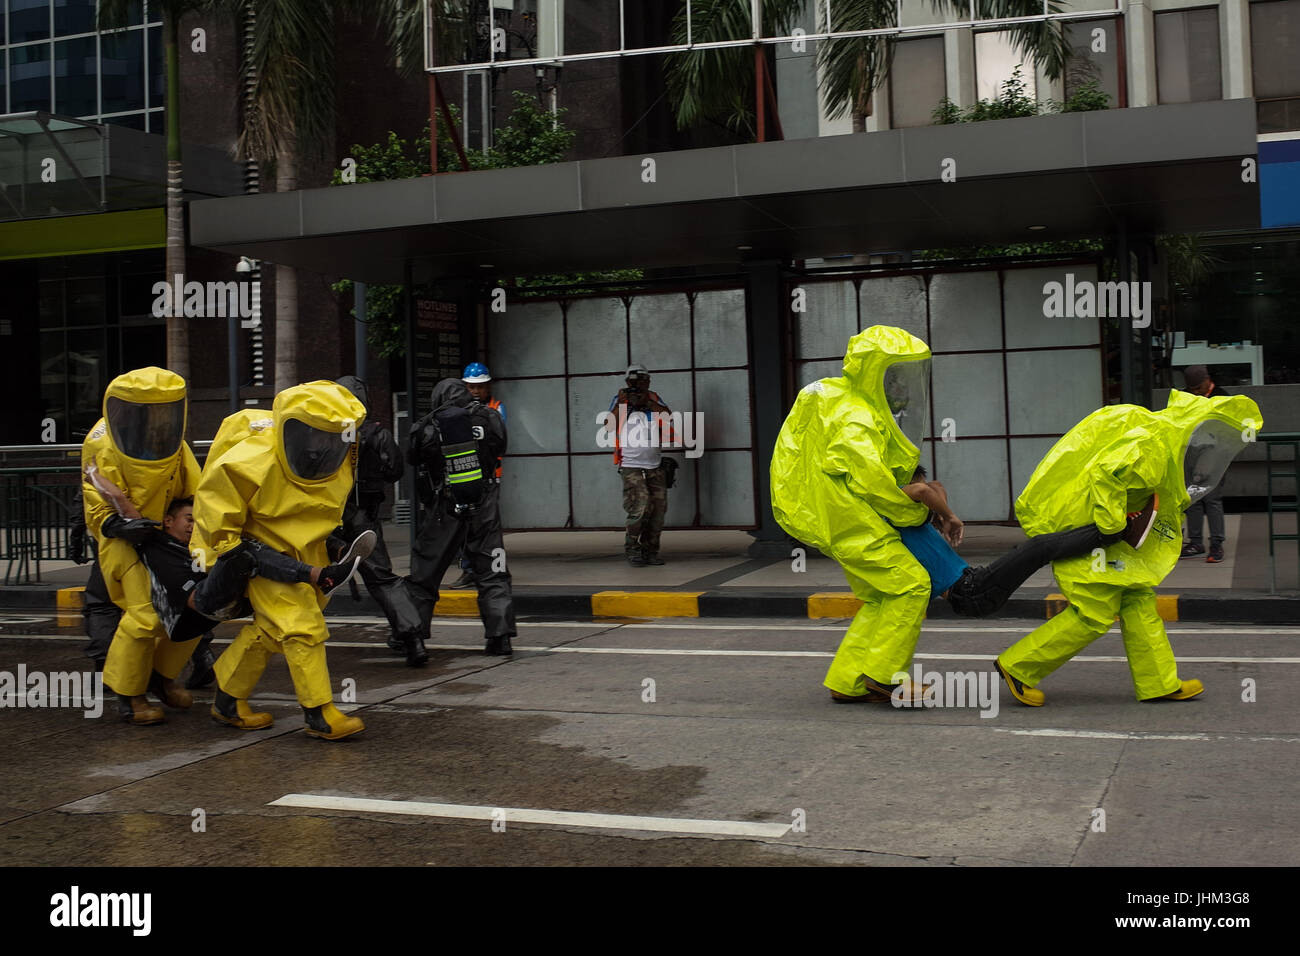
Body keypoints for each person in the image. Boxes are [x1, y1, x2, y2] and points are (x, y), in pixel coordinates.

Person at [993, 390, 1262, 707]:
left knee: (1139, 601)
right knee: (1093, 614)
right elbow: (1105, 473)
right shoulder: (1154, 447)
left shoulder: (1163, 442)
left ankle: (1158, 682)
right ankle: (1019, 667)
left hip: (1110, 545)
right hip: (1088, 535)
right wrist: (1110, 526)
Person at [192, 381, 370, 740]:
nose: (327, 443)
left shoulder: (335, 460)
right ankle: (319, 713)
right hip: (262, 555)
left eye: (335, 435)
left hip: (307, 551)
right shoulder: (251, 460)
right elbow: (215, 511)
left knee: (270, 631)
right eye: (318, 433)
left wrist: (335, 546)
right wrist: (231, 551)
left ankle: (227, 699)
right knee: (301, 627)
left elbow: (319, 512)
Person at [769, 327, 937, 704]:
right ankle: (884, 677)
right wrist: (914, 515)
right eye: (893, 374)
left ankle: (847, 680)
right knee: (912, 586)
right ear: (873, 372)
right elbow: (873, 483)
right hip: (852, 520)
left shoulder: (838, 397)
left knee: (881, 597)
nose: (900, 385)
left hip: (836, 518)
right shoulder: (856, 417)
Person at [82, 367, 203, 725]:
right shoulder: (102, 443)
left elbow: (194, 489)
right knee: (145, 615)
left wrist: (189, 522)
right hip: (122, 540)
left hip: (164, 536)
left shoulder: (174, 444)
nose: (158, 418)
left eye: (166, 410)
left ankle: (162, 679)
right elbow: (97, 505)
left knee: (198, 607)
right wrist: (121, 524)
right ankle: (129, 693)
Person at [897, 466, 1157, 624]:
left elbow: (934, 486)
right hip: (968, 592)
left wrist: (942, 514)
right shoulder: (895, 514)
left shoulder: (915, 516)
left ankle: (1112, 531)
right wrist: (951, 517)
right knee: (1039, 548)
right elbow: (923, 491)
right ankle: (1119, 531)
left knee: (1042, 548)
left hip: (973, 584)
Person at [407, 378, 516, 657]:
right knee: (492, 569)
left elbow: (414, 457)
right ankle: (500, 636)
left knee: (426, 570)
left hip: (446, 505)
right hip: (485, 501)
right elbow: (500, 447)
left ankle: (413, 636)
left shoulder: (430, 425)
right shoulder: (488, 416)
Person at [331, 376, 424, 658]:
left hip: (327, 516)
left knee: (307, 576)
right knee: (382, 578)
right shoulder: (377, 433)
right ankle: (412, 638)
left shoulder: (325, 430)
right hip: (364, 516)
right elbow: (395, 471)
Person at [610, 364, 678, 567]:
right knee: (638, 508)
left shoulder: (654, 399)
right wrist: (623, 403)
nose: (637, 386)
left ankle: (651, 551)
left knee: (658, 510)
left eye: (642, 382)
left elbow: (668, 417)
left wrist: (647, 402)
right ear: (627, 383)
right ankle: (633, 549)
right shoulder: (621, 400)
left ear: (648, 382)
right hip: (631, 465)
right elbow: (609, 425)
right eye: (633, 383)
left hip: (654, 465)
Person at [450, 363, 506, 589]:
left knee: (488, 527)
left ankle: (491, 569)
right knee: (466, 526)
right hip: (466, 477)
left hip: (490, 477)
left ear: (488, 387)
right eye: (471, 387)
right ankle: (469, 569)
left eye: (479, 387)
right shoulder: (458, 411)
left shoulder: (496, 409)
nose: (475, 392)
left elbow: (500, 443)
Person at [1180, 365, 1232, 563]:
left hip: (1215, 452)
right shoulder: (1186, 396)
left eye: (1198, 388)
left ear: (1207, 380)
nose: (1195, 392)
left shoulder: (1221, 396)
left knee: (1212, 497)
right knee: (1192, 496)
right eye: (1191, 389)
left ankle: (1216, 543)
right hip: (1191, 452)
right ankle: (1195, 542)